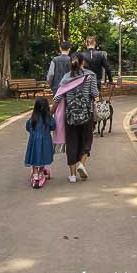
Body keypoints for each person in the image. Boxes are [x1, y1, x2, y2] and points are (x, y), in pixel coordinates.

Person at [51, 52, 98, 183]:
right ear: (83, 62)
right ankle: (82, 164)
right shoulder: (90, 76)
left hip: (70, 116)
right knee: (86, 140)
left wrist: (51, 113)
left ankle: (72, 176)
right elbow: (94, 93)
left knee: (71, 143)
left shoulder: (66, 78)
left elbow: (58, 96)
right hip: (86, 114)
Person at [24, 97, 56, 189]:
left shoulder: (32, 119)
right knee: (43, 155)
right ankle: (41, 171)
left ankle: (35, 173)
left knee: (34, 155)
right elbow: (53, 126)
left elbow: (28, 127)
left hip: (33, 141)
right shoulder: (48, 119)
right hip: (45, 140)